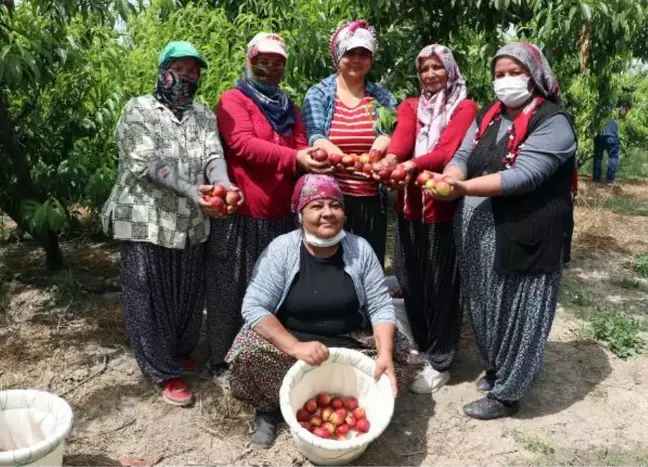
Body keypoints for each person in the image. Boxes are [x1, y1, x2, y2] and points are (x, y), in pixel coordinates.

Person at [430, 42, 576, 419]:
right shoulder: (490, 115)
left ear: (535, 75)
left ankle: (508, 394)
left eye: (515, 73)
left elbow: (524, 176)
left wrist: (462, 189)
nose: (506, 81)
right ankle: (498, 367)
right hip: (484, 232)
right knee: (487, 303)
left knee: (522, 309)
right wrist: (452, 175)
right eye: (499, 75)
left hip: (530, 232)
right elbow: (463, 155)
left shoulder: (553, 122)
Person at [225, 174, 413, 447]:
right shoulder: (282, 250)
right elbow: (254, 306)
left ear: (344, 213)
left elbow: (380, 306)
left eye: (335, 205)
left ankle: (356, 404)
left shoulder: (359, 249)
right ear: (300, 213)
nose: (328, 213)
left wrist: (384, 352)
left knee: (396, 353)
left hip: (349, 343)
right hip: (291, 344)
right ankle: (268, 408)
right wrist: (295, 347)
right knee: (248, 350)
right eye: (316, 206)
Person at [101, 41, 239, 406]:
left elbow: (213, 154)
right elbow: (147, 164)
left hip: (189, 223)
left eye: (194, 72)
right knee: (149, 293)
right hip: (146, 218)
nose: (187, 77)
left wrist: (222, 184)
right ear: (163, 70)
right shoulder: (139, 110)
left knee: (185, 291)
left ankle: (177, 350)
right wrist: (193, 190)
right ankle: (161, 370)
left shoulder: (202, 113)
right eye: (180, 69)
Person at [205, 33, 326, 376]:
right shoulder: (233, 100)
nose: (270, 69)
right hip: (242, 214)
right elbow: (243, 144)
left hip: (279, 217)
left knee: (271, 292)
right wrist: (298, 157)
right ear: (249, 60)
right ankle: (221, 358)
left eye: (277, 63)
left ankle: (264, 357)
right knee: (230, 288)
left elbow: (301, 144)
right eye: (263, 61)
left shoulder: (289, 107)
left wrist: (312, 159)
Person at [381, 45, 477, 393]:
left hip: (442, 210)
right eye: (424, 69)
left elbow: (448, 150)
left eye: (438, 68)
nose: (431, 75)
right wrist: (391, 159)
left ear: (450, 70)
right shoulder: (411, 105)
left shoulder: (465, 107)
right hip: (408, 209)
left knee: (441, 286)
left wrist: (408, 166)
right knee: (411, 280)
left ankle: (442, 361)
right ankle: (423, 344)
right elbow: (402, 140)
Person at [302, 20, 396, 266]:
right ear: (337, 56)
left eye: (363, 54)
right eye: (350, 53)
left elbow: (388, 133)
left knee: (368, 263)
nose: (356, 59)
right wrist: (348, 160)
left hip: (371, 197)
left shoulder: (382, 97)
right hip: (330, 197)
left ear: (371, 59)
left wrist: (374, 155)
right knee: (328, 263)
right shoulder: (319, 93)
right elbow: (315, 136)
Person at [593, 105, 627, 184]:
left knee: (598, 156)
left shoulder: (600, 99)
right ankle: (610, 179)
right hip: (611, 134)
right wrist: (625, 109)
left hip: (599, 133)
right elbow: (622, 114)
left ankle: (596, 179)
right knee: (613, 157)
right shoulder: (617, 101)